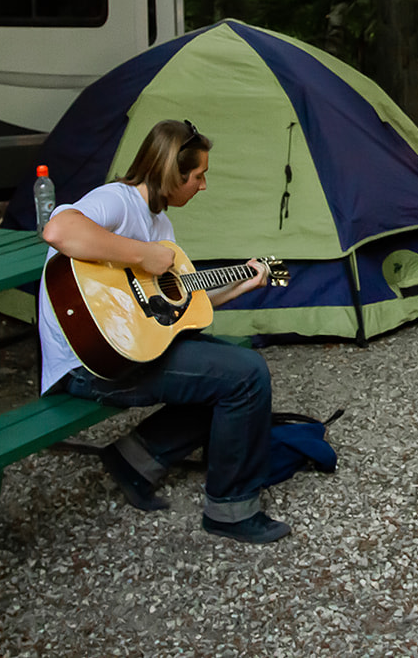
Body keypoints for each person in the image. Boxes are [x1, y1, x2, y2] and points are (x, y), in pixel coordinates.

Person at [37, 118, 287, 543]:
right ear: (173, 173)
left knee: (223, 370)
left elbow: (183, 307)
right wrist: (142, 255)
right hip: (88, 361)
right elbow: (58, 230)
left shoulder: (162, 228)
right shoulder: (116, 201)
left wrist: (243, 282)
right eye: (199, 175)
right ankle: (230, 511)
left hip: (127, 350)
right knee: (247, 375)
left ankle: (133, 462)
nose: (203, 185)